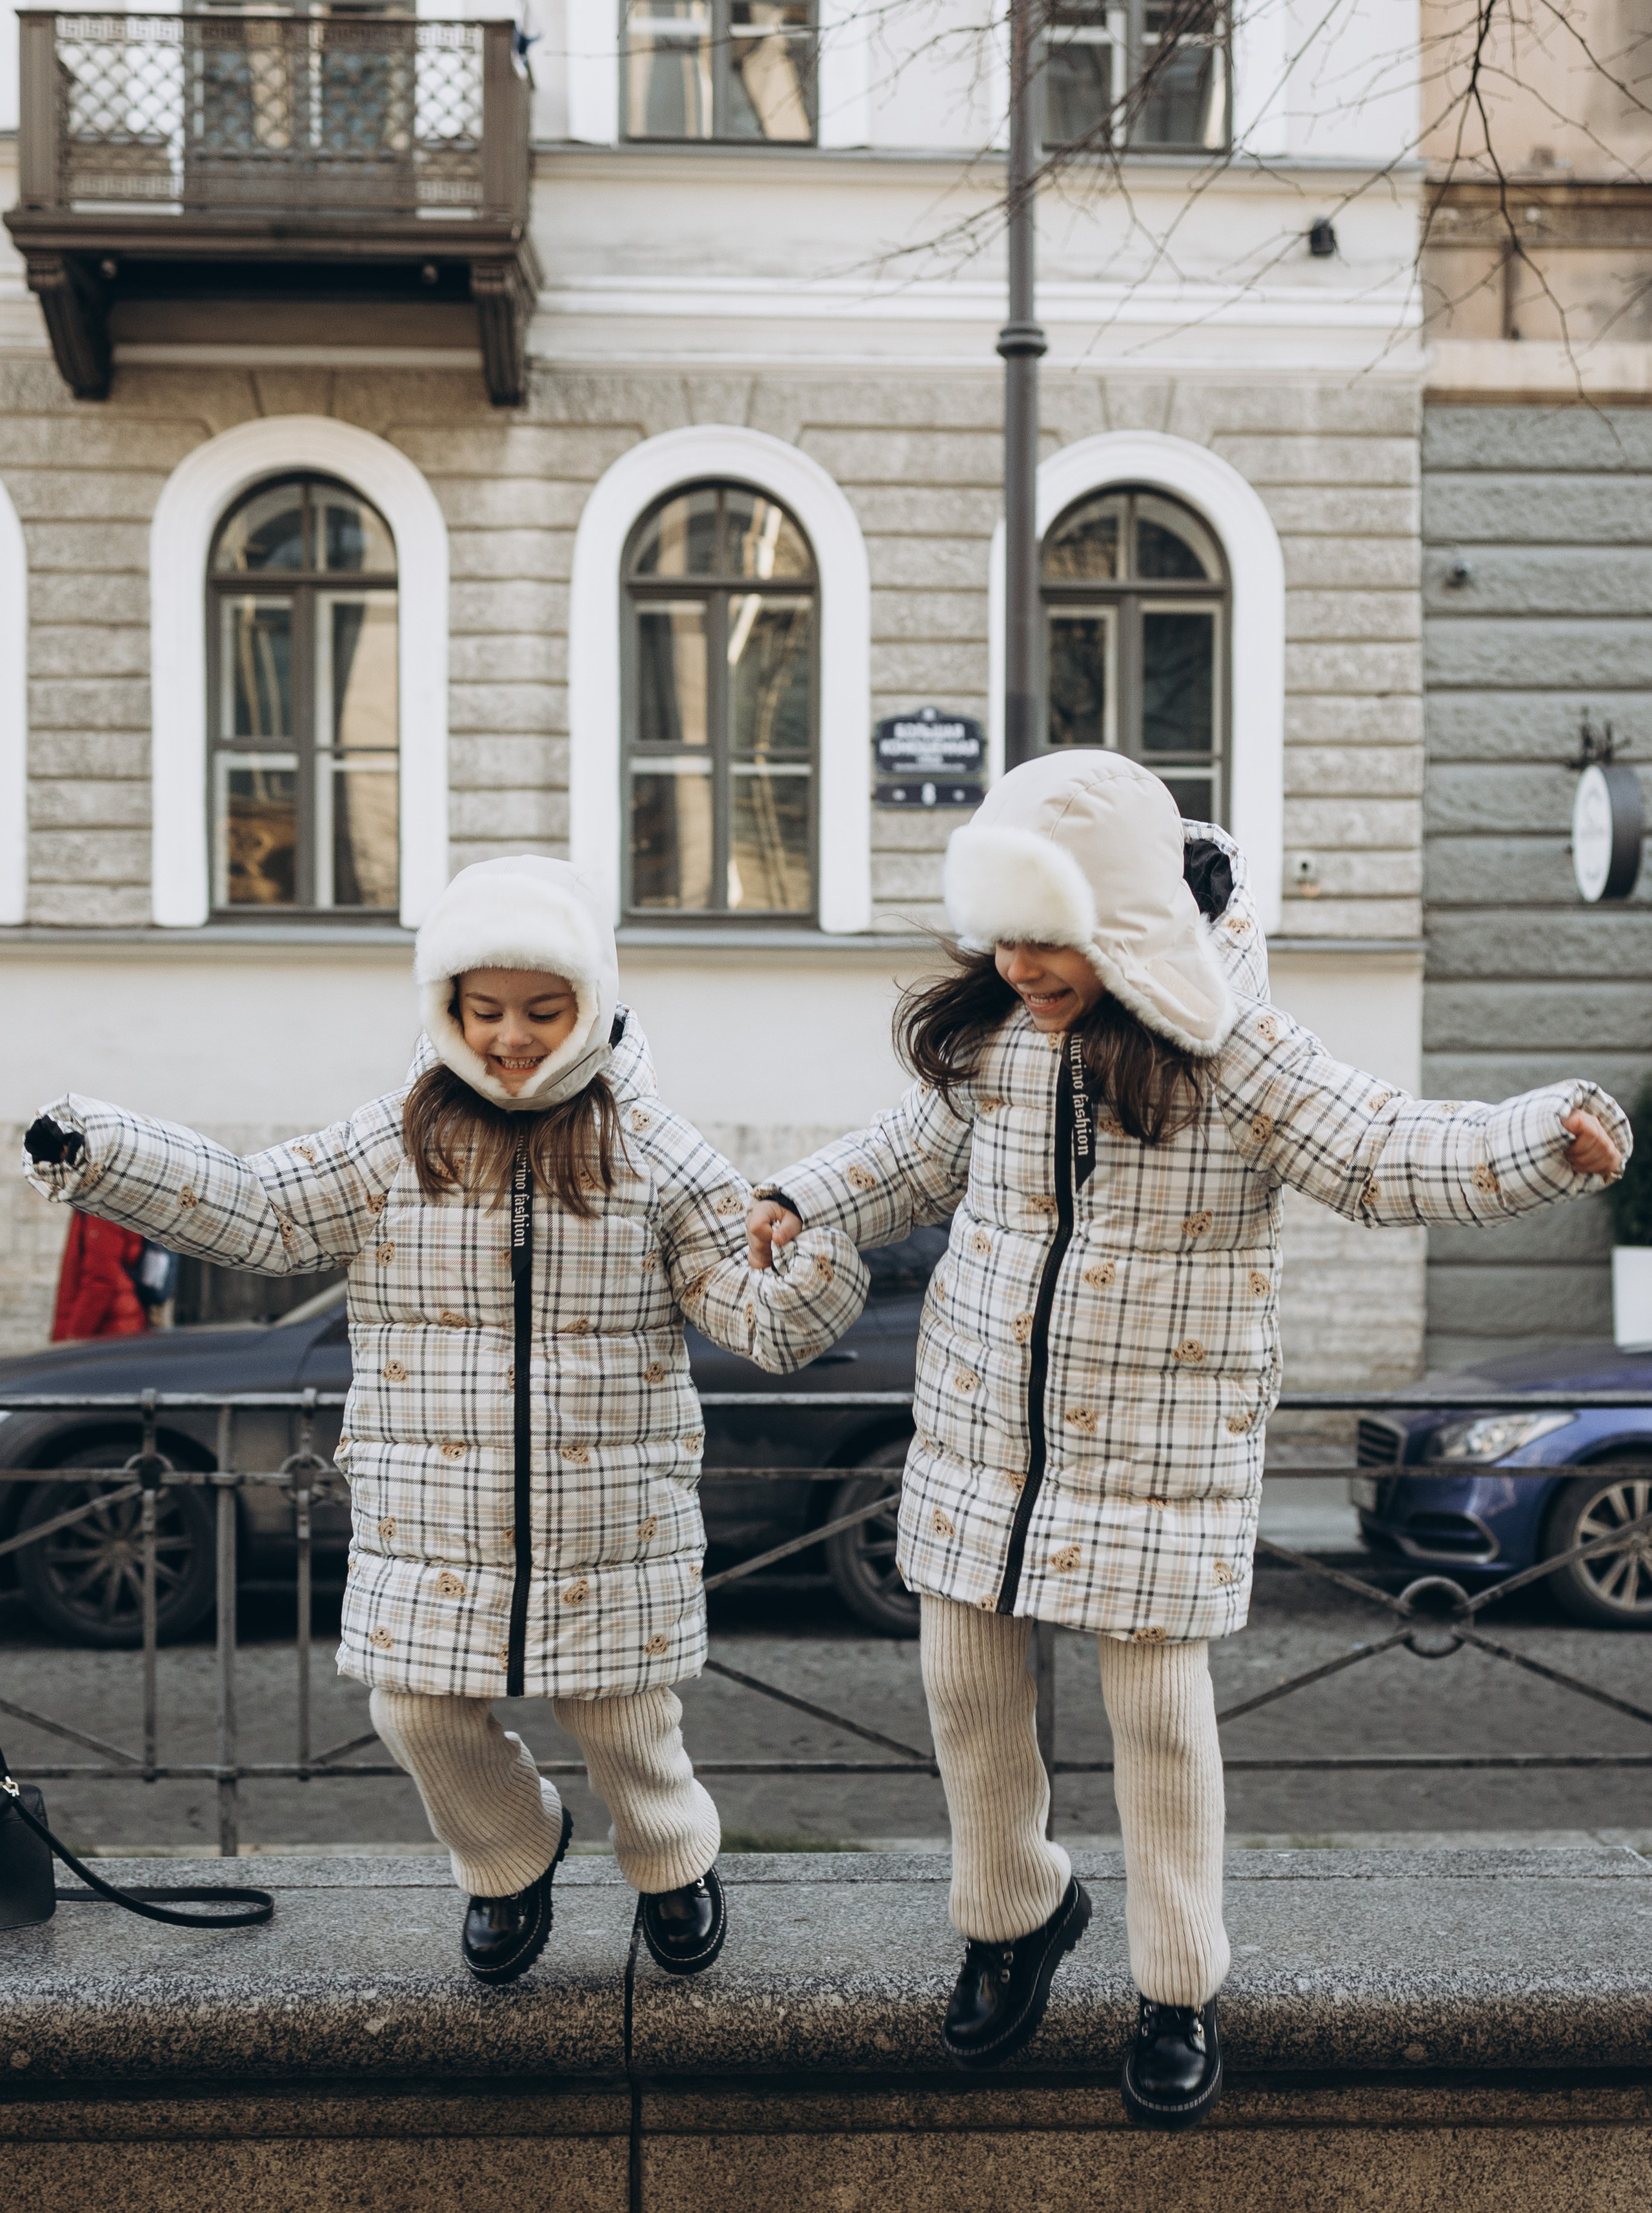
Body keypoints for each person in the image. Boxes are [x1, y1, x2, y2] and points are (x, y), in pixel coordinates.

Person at [746, 750, 1629, 2126]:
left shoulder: (1232, 1049)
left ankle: (1174, 1985)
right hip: (985, 1426)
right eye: (1006, 933)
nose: (1021, 962)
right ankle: (1011, 1912)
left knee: (1155, 1718)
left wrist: (1535, 1140)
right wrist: (799, 1198)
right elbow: (910, 1155)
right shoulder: (998, 1037)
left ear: (1125, 922)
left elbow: (1379, 1149)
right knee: (965, 1690)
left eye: (1049, 936)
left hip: (1161, 1442)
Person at [23, 856, 863, 1985]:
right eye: (486, 1010)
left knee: (622, 1722)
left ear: (594, 1005)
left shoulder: (650, 1148)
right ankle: (509, 1853)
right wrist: (105, 1154)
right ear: (447, 1008)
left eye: (543, 1010)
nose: (512, 1037)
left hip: (606, 1514)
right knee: (416, 1710)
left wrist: (814, 1270)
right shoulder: (396, 1139)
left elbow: (755, 1320)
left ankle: (670, 1860)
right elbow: (263, 1213)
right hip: (434, 1509)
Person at [49, 1211, 148, 1343]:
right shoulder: (97, 1204)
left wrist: (74, 1337)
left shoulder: (100, 1207)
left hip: (109, 1329)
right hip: (116, 1324)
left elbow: (99, 1282)